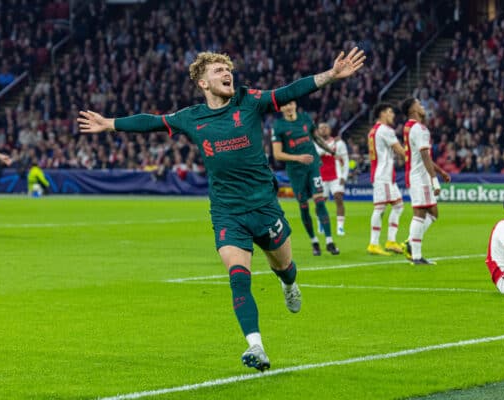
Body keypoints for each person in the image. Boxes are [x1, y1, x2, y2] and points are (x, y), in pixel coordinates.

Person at [77, 48, 365, 371]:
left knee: (284, 266)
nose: (227, 74)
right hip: (228, 212)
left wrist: (330, 74)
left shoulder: (249, 101)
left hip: (264, 207)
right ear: (203, 82)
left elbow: (289, 91)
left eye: (228, 69)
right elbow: (151, 122)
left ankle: (289, 284)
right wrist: (109, 124)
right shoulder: (192, 117)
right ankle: (256, 346)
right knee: (238, 277)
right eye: (218, 70)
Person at [271, 101, 340, 256]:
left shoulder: (305, 118)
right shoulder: (279, 126)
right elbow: (277, 154)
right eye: (284, 105)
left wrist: (330, 150)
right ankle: (314, 241)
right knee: (303, 206)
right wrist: (298, 158)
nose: (288, 107)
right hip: (296, 171)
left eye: (290, 104)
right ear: (280, 108)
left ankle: (329, 241)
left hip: (313, 166)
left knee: (320, 201)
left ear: (295, 104)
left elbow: (316, 138)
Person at [400, 98, 450, 265]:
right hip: (420, 178)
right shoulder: (419, 128)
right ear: (413, 109)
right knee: (421, 213)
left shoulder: (409, 127)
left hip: (415, 175)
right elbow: (424, 156)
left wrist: (440, 171)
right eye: (419, 103)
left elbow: (424, 156)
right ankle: (415, 254)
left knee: (432, 213)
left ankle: (411, 245)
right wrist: (434, 180)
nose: (422, 106)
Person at [366, 103, 406, 256]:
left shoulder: (374, 130)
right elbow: (399, 150)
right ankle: (374, 243)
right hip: (384, 175)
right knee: (380, 208)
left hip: (383, 174)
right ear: (382, 114)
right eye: (390, 112)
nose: (393, 115)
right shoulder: (385, 130)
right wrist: (416, 159)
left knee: (398, 206)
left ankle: (390, 241)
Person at [315, 122, 349, 236]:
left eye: (326, 127)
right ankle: (320, 222)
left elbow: (346, 160)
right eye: (321, 128)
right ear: (318, 131)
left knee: (338, 197)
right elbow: (317, 154)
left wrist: (344, 176)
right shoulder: (315, 143)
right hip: (321, 176)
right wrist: (330, 147)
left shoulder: (340, 144)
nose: (323, 129)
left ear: (330, 130)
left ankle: (340, 227)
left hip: (336, 176)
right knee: (320, 202)